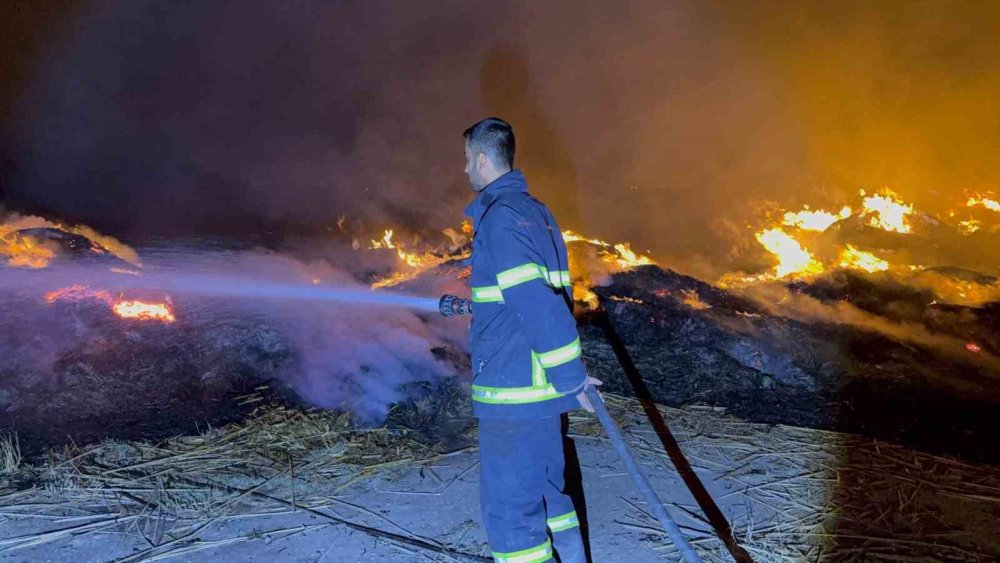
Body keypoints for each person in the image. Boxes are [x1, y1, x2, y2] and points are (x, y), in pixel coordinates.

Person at [462, 117, 601, 563]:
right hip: (538, 396)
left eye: (467, 160)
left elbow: (539, 305)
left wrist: (573, 379)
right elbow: (533, 298)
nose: (464, 170)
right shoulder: (537, 213)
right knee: (550, 497)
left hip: (512, 395)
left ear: (483, 159)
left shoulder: (500, 219)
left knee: (511, 515)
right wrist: (566, 381)